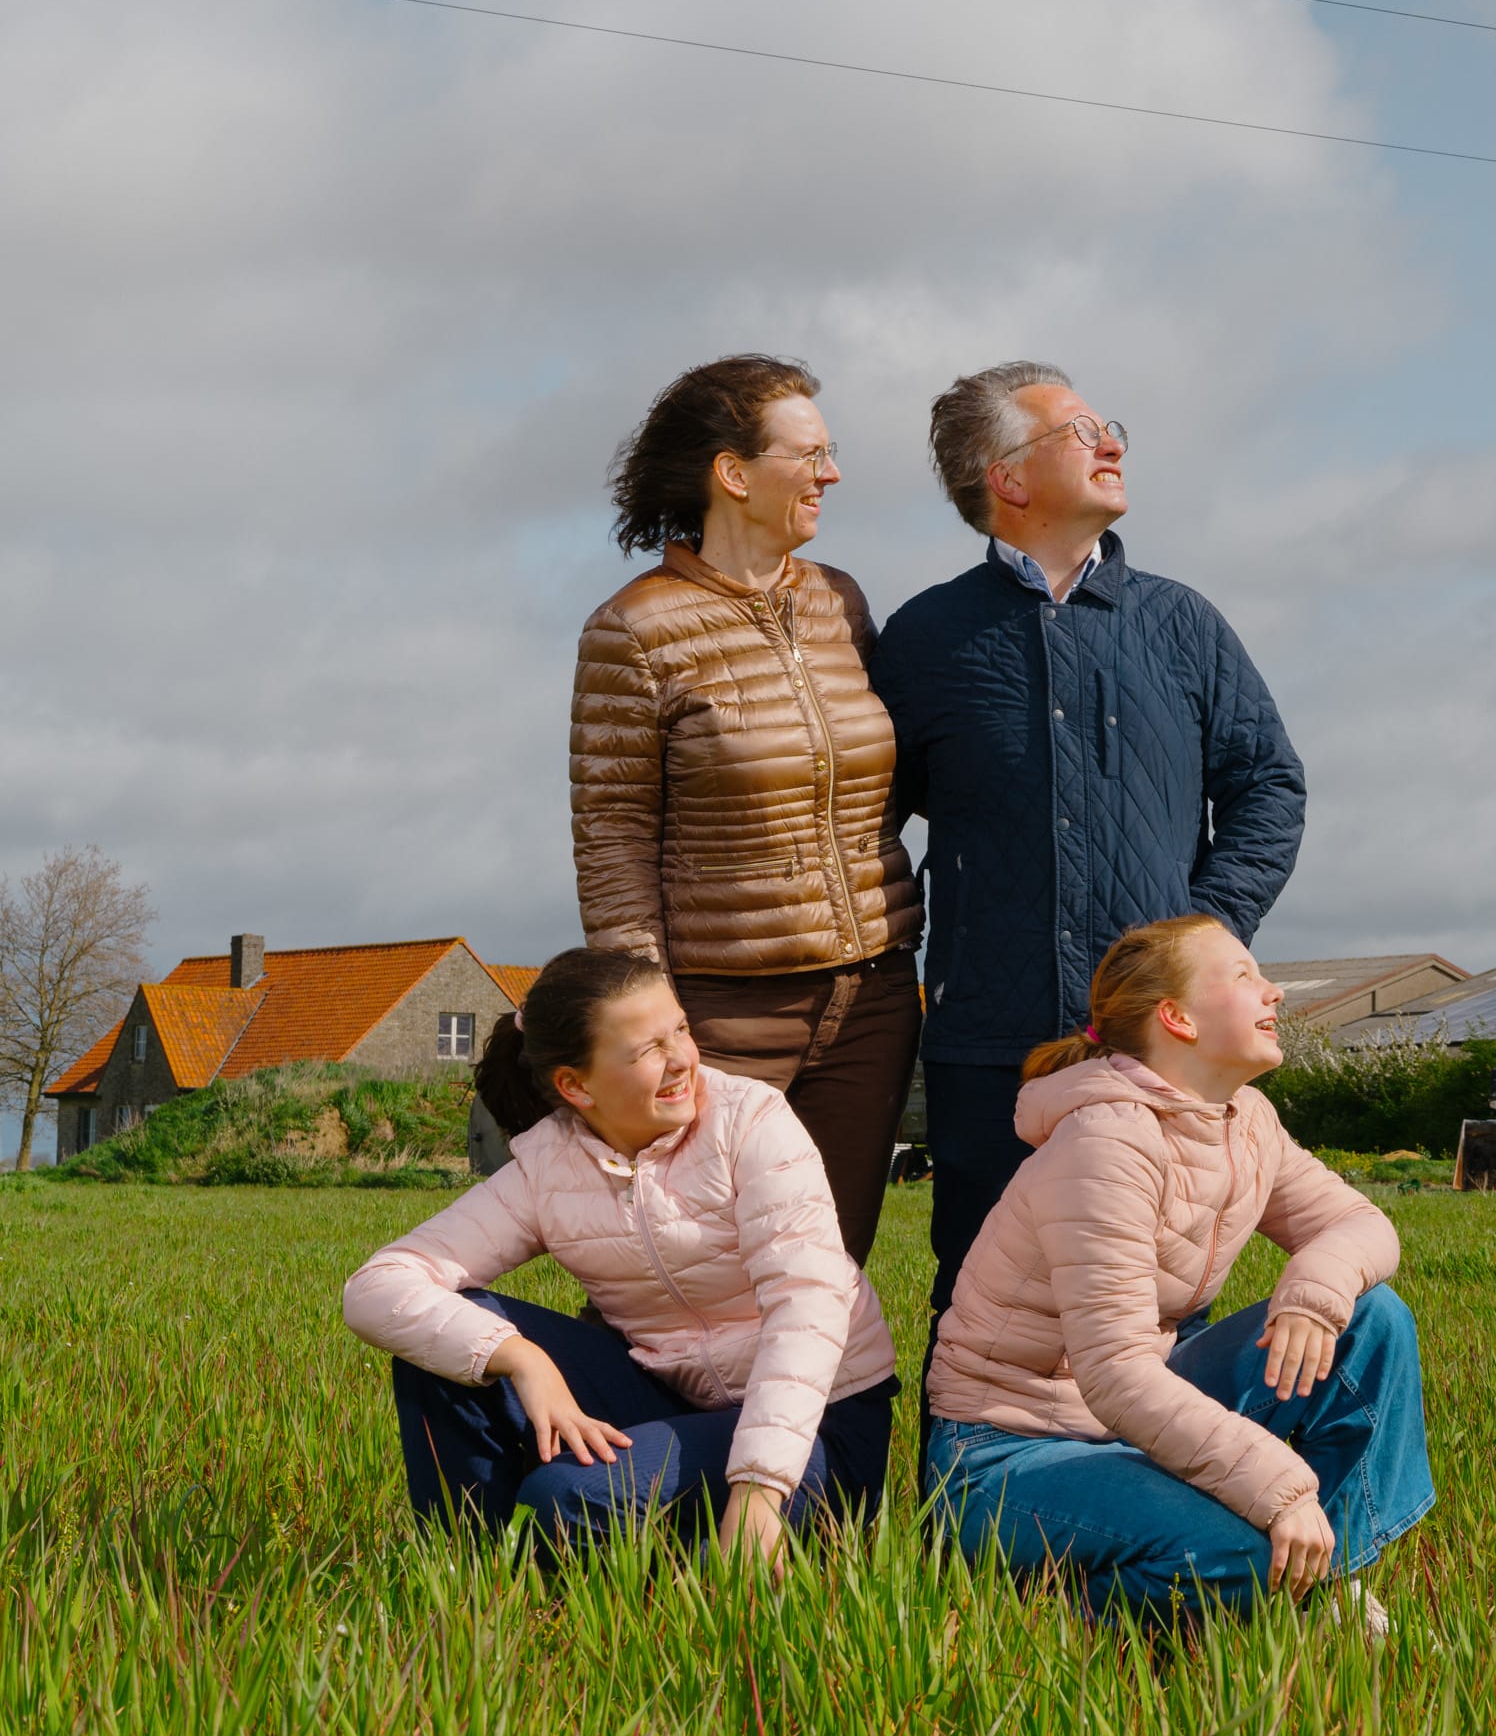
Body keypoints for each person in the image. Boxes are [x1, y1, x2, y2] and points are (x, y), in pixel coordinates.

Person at [874, 362, 1306, 1318]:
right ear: (1008, 479)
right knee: (983, 1287)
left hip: (1159, 1042)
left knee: (1156, 1290)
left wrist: (1196, 938)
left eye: (1112, 426)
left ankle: (1149, 1470)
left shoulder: (1182, 624)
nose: (1112, 444)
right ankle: (972, 1475)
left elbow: (1269, 787)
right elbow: (861, 819)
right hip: (991, 1040)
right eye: (1081, 432)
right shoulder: (925, 638)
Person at [925, 917, 1432, 1623]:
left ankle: (1327, 1581)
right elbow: (1115, 1372)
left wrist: (1312, 1299)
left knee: (1371, 1319)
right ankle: (1036, 1612)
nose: (1274, 990)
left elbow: (1361, 1225)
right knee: (1250, 1557)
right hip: (1010, 1454)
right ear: (1177, 1018)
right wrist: (1282, 1489)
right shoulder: (1105, 1142)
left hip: (1129, 1420)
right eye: (1244, 975)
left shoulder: (1245, 1119)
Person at [342, 948, 899, 1556]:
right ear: (575, 1086)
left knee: (562, 1500)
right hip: (676, 1402)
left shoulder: (751, 1123)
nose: (683, 1059)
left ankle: (615, 1560)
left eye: (680, 1029)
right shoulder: (546, 1166)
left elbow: (807, 1306)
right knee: (446, 1348)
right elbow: (378, 1287)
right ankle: (474, 1580)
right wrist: (522, 1360)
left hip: (822, 1423)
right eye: (646, 1051)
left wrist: (761, 1490)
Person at [572, 354, 923, 1266]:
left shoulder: (839, 603)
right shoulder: (633, 629)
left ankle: (819, 1419)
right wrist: (651, 1020)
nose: (831, 474)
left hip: (875, 999)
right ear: (733, 474)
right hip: (722, 1016)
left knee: (827, 1268)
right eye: (809, 454)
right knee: (701, 1266)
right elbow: (612, 839)